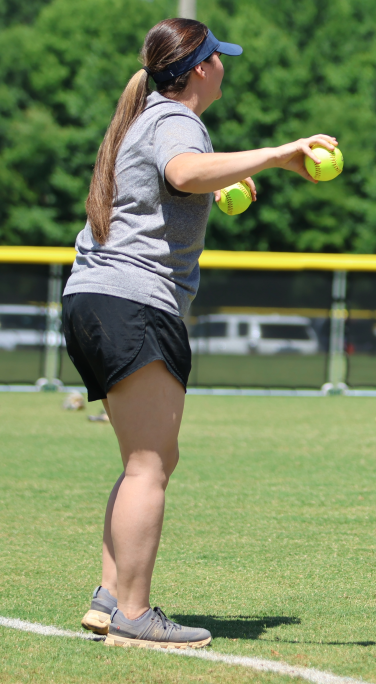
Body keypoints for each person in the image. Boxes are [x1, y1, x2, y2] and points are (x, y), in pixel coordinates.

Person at [64, 18, 337, 648]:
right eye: (219, 58)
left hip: (94, 297)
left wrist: (219, 180)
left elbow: (178, 180)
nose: (224, 67)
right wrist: (279, 154)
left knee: (149, 461)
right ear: (200, 69)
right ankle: (134, 613)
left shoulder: (145, 117)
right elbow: (184, 172)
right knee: (149, 466)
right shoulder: (176, 119)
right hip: (133, 301)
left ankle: (111, 597)